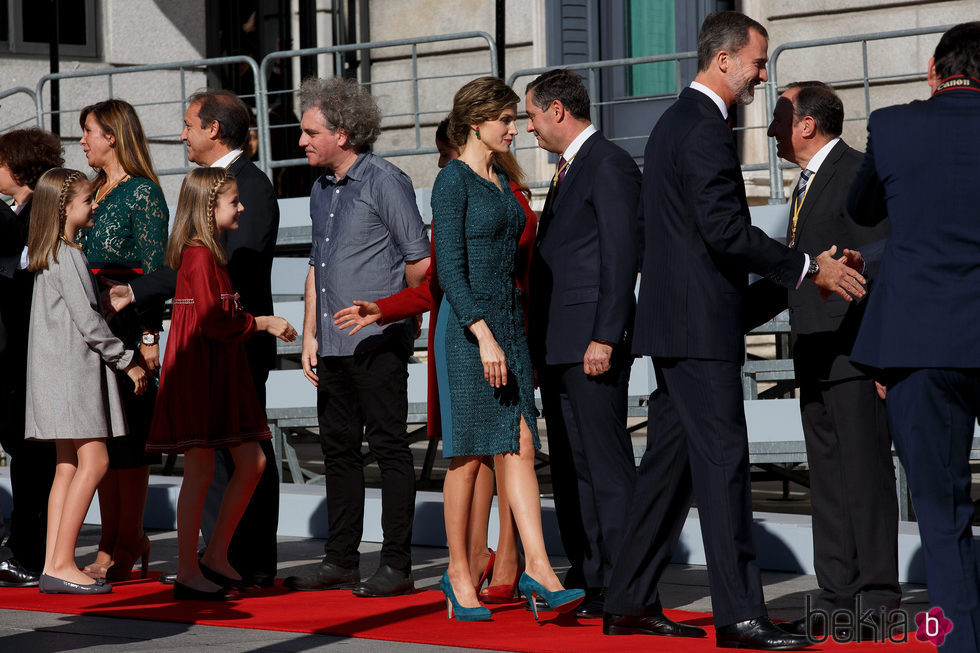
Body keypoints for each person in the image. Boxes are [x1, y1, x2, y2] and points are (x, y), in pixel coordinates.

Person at [605, 12, 865, 650]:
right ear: (723, 60)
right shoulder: (704, 129)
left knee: (669, 468)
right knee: (722, 470)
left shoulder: (675, 123)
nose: (760, 73)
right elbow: (723, 232)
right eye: (756, 59)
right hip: (697, 330)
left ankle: (628, 601)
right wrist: (807, 268)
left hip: (676, 324)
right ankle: (740, 616)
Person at [332, 117, 529, 602]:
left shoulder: (508, 191)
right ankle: (486, 558)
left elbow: (513, 273)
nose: (445, 164)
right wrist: (385, 307)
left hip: (510, 330)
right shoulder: (463, 188)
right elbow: (443, 283)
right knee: (481, 452)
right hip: (473, 334)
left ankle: (504, 557)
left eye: (446, 154)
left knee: (506, 448)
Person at [104, 90, 283, 587]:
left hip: (234, 350)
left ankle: (244, 561)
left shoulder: (252, 186)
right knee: (216, 463)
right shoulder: (205, 232)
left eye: (188, 124)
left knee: (242, 459)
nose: (182, 133)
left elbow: (234, 271)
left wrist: (255, 324)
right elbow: (194, 273)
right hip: (212, 349)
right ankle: (212, 559)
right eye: (232, 205)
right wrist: (137, 291)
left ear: (213, 129)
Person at [429, 75, 584, 621]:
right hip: (472, 331)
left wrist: (511, 336)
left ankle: (539, 568)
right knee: (469, 457)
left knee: (519, 441)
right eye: (505, 120)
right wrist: (484, 335)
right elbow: (449, 269)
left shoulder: (498, 177)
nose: (515, 129)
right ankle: (458, 575)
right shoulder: (453, 182)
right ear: (476, 122)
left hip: (508, 329)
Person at [847, 22, 980, 653]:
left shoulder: (893, 125)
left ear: (934, 69)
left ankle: (960, 641)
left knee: (939, 507)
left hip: (919, 340)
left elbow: (862, 206)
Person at [284, 76, 430, 598]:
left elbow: (419, 260)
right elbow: (316, 266)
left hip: (377, 342)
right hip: (334, 346)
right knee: (338, 449)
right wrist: (309, 334)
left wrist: (401, 317)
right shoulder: (321, 188)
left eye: (309, 132)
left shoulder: (385, 181)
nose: (300, 141)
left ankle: (396, 565)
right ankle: (341, 559)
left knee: (389, 448)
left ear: (342, 134)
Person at [765, 82, 898, 638]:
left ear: (806, 124)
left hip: (856, 350)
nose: (770, 126)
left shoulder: (855, 172)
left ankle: (878, 599)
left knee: (864, 476)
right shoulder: (804, 182)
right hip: (815, 349)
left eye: (779, 115)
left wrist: (884, 358)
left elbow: (889, 249)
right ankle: (837, 595)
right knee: (826, 478)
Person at [145, 168, 295, 601]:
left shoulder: (210, 254)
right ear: (210, 208)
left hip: (219, 370)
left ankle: (212, 557)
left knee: (250, 463)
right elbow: (212, 320)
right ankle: (190, 569)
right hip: (202, 372)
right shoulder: (199, 255)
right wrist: (263, 322)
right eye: (233, 201)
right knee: (202, 470)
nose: (241, 207)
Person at [523, 68, 639, 620]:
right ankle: (591, 574)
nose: (529, 129)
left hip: (591, 343)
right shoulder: (569, 170)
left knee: (606, 467)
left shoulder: (609, 164)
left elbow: (620, 258)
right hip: (559, 346)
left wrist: (606, 335)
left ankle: (623, 581)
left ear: (558, 111)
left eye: (532, 117)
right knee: (570, 469)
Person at [25, 168, 148, 595]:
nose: (94, 206)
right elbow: (90, 324)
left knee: (67, 466)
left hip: (54, 375)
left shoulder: (48, 255)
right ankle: (60, 563)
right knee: (95, 462)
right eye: (87, 200)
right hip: (72, 377)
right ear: (64, 208)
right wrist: (128, 360)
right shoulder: (70, 256)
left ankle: (52, 561)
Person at [77, 99, 169, 582]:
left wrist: (150, 337)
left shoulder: (143, 193)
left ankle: (126, 539)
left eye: (89, 131)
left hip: (131, 326)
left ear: (112, 135)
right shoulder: (92, 189)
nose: (83, 140)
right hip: (93, 326)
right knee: (104, 437)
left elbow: (155, 272)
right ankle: (113, 539)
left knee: (129, 438)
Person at [0, 128, 64, 588]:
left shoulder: (32, 218)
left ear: (18, 167)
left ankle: (28, 550)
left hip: (27, 355)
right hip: (17, 355)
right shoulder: (18, 214)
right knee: (24, 455)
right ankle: (25, 547)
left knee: (30, 457)